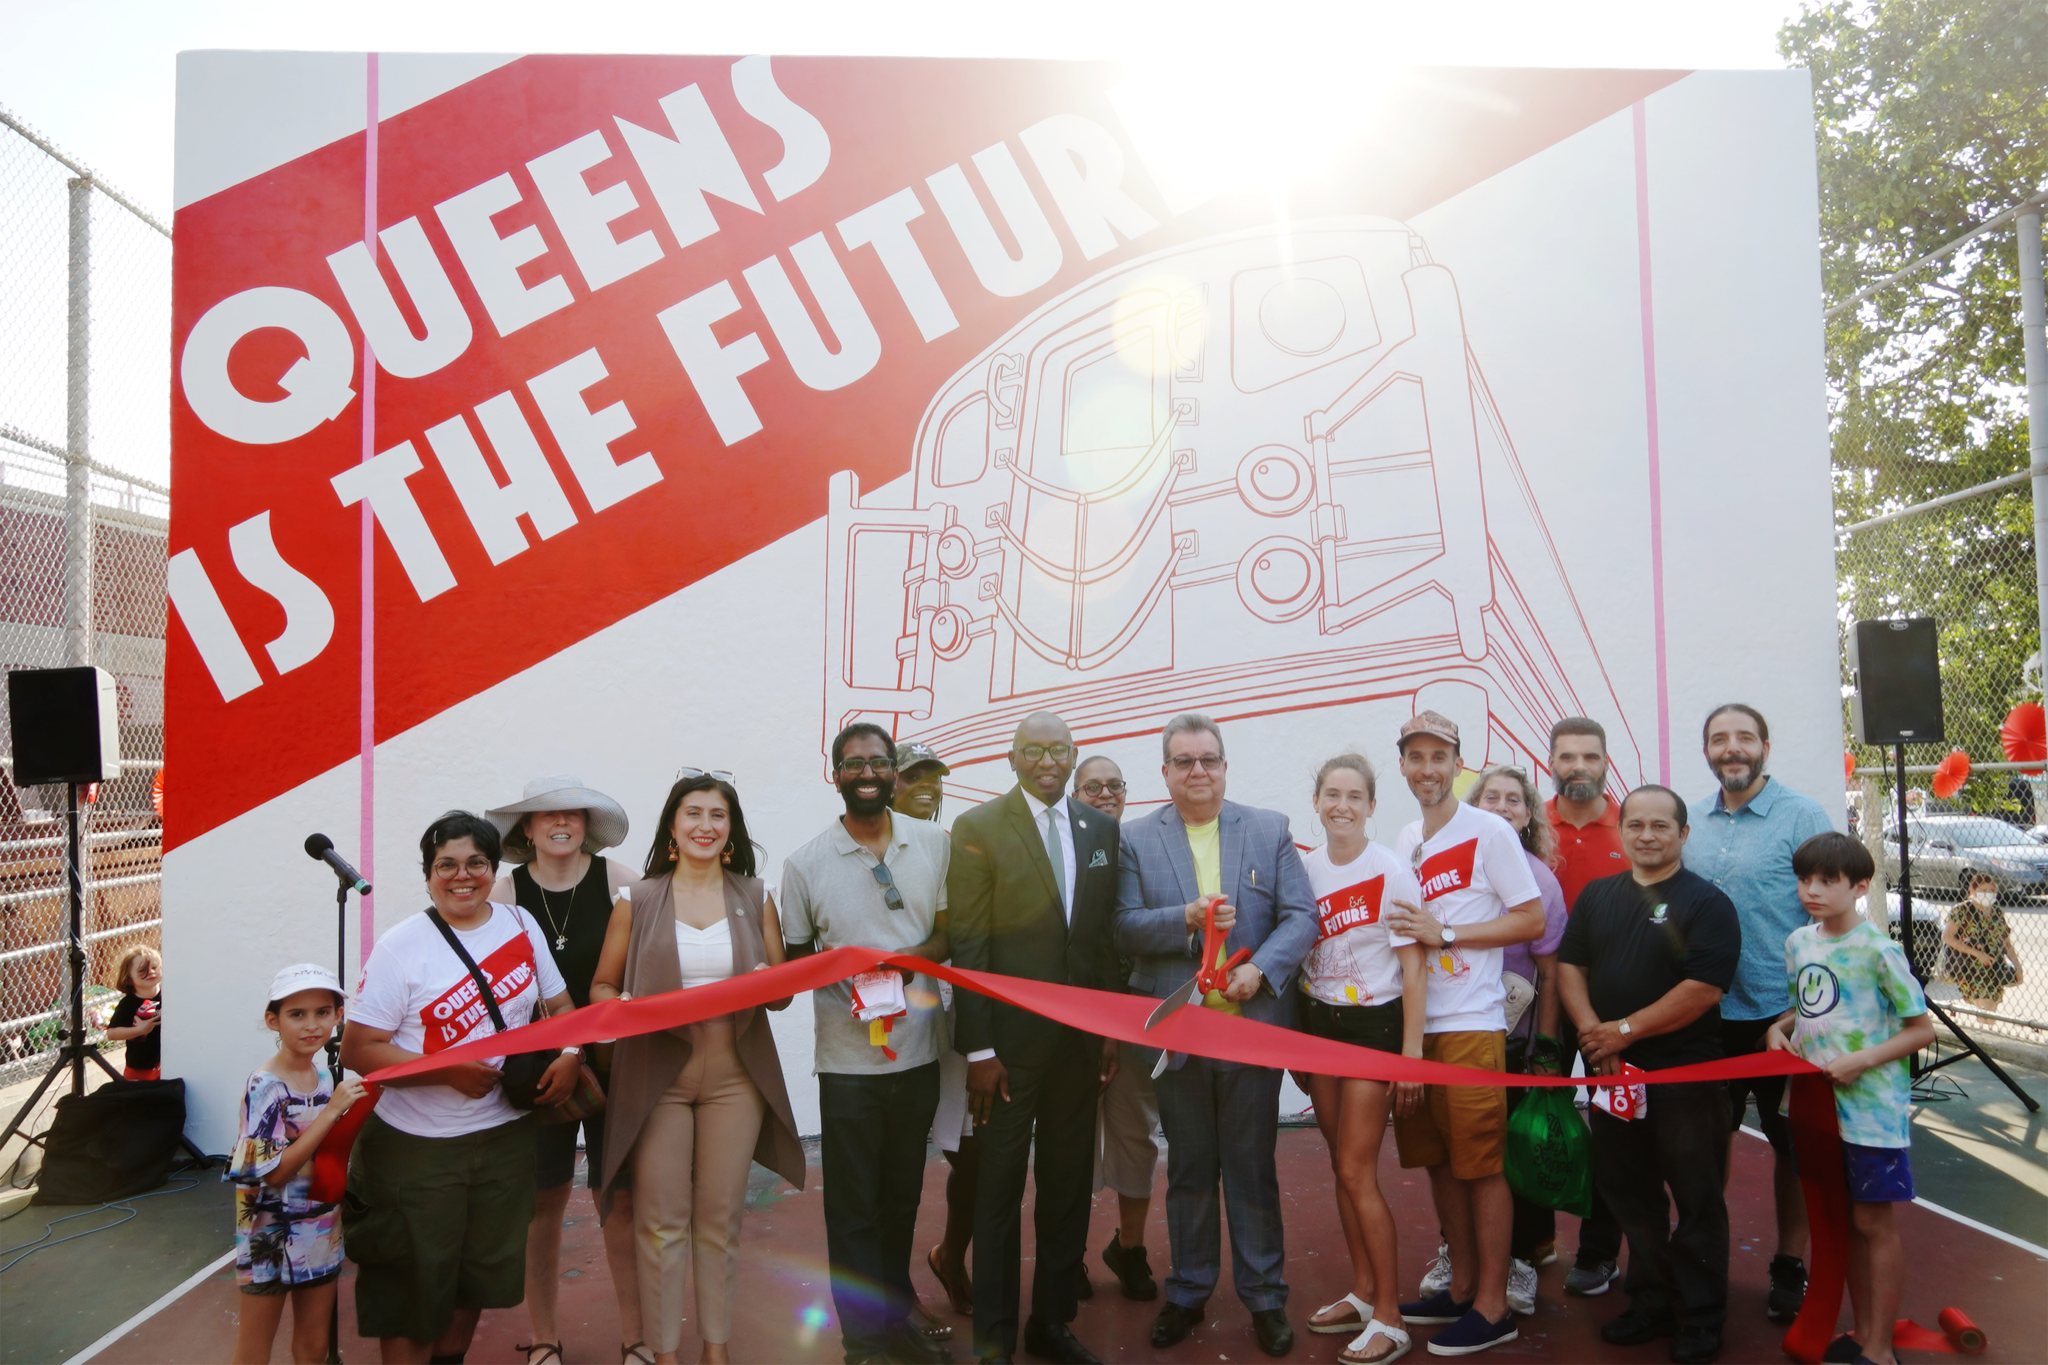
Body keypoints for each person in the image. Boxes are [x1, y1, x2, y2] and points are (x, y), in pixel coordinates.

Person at [340, 811, 583, 1365]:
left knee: (476, 1277)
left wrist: (571, 1054)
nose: (461, 875)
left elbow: (563, 1008)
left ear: (493, 868)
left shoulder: (520, 925)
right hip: (415, 1151)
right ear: (427, 874)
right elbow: (359, 1049)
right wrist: (446, 1069)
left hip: (503, 1141)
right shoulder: (402, 947)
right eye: (445, 864)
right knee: (409, 1288)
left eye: (476, 862)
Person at [1115, 713, 1316, 1358]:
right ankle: (1189, 1290)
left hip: (1249, 1034)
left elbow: (1300, 916)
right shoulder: (1136, 838)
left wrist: (1261, 968)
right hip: (1178, 1034)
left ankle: (1264, 1298)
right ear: (1166, 772)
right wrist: (1186, 916)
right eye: (1183, 761)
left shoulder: (1268, 828)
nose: (1197, 771)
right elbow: (1122, 926)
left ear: (1225, 767)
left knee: (1252, 1168)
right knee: (1191, 1169)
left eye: (1208, 760)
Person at [591, 772, 806, 1365]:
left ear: (731, 829)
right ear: (673, 828)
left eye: (717, 815)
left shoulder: (756, 894)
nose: (705, 826)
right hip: (658, 1079)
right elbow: (603, 985)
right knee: (661, 1224)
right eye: (693, 814)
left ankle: (716, 1349)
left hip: (737, 1080)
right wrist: (619, 1007)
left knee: (720, 1219)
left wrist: (772, 980)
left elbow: (782, 993)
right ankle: (664, 1354)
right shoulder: (637, 900)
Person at [948, 712, 1122, 1365]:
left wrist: (1106, 1027)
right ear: (1012, 757)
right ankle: (993, 1336)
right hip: (1007, 1054)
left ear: (1072, 755)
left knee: (1067, 1183)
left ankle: (1051, 1319)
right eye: (1033, 750)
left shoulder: (1099, 829)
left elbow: (1101, 940)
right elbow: (969, 944)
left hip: (1080, 1047)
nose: (1047, 759)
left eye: (1058, 749)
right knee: (997, 1189)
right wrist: (982, 1050)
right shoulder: (979, 828)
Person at [780, 723, 955, 1365]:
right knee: (853, 1208)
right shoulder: (805, 864)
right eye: (854, 764)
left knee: (901, 1198)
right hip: (848, 1064)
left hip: (917, 1053)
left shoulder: (935, 843)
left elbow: (947, 936)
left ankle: (892, 1317)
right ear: (836, 773)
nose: (868, 773)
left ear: (893, 773)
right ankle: (863, 1344)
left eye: (879, 763)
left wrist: (904, 963)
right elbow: (796, 960)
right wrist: (843, 970)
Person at [1557, 786, 1741, 1365]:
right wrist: (1595, 1036)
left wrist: (1625, 1031)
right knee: (1631, 1196)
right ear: (1622, 831)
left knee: (1696, 1199)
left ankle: (1701, 1317)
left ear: (1683, 835)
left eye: (1661, 826)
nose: (1647, 835)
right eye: (1635, 824)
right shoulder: (1596, 896)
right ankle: (1650, 1302)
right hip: (1612, 1074)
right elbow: (1570, 968)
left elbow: (1703, 990)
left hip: (1684, 1076)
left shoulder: (1708, 904)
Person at [1383, 712, 1543, 1357]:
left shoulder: (1490, 831)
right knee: (1440, 1162)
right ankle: (1462, 1289)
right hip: (1418, 1026)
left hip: (1474, 1023)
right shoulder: (1404, 837)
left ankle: (1494, 1306)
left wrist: (1446, 935)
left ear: (1458, 763)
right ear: (1402, 764)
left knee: (1481, 1166)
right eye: (1415, 756)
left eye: (1439, 757)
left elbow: (1529, 920)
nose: (1427, 768)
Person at [486, 776, 643, 1365]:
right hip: (540, 1076)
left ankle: (637, 1339)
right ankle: (545, 1338)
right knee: (542, 1206)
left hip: (616, 1067)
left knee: (619, 1202)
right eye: (545, 815)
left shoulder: (622, 882)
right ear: (526, 828)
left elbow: (653, 963)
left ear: (585, 825)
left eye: (571, 814)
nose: (559, 823)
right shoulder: (504, 892)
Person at [1683, 704, 1832, 1322]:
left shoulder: (1802, 816)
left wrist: (1805, 1013)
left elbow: (1829, 918)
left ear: (1765, 746)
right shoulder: (1690, 820)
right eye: (1720, 739)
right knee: (1703, 1146)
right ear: (1708, 751)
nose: (1732, 748)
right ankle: (1703, 1261)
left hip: (1783, 1016)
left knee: (1791, 1148)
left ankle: (1789, 1263)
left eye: (1744, 737)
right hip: (1707, 1015)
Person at [1768, 833, 1936, 1365]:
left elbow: (1921, 1030)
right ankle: (1864, 1334)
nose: (1812, 890)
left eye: (1827, 881)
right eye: (1804, 879)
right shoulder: (1799, 942)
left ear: (1860, 887)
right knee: (1838, 1219)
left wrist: (1860, 1060)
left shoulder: (1879, 951)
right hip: (1815, 1106)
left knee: (1871, 1224)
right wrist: (1780, 1028)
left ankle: (1881, 1349)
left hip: (1870, 1113)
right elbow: (1812, 1006)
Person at [1297, 753, 1426, 1365]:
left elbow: (1413, 966)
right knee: (1339, 1164)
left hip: (1376, 1029)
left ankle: (1393, 1319)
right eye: (1331, 794)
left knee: (1356, 1171)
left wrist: (1411, 1054)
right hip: (1320, 1025)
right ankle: (1364, 1290)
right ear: (1317, 802)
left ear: (1373, 806)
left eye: (1355, 795)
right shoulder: (1304, 868)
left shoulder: (1392, 871)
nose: (1342, 805)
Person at [226, 963, 368, 1365]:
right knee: (255, 1349)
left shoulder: (324, 1078)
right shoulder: (265, 1086)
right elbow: (275, 1172)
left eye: (323, 1012)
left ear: (338, 1016)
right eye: (296, 1014)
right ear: (273, 1020)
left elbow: (325, 1151)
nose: (311, 1025)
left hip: (320, 1227)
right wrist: (332, 1113)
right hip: (267, 1235)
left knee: (313, 1345)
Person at [1467, 764, 1567, 1302]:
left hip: (1513, 1045)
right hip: (1455, 1041)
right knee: (1464, 1151)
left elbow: (1549, 972)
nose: (1502, 806)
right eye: (1492, 797)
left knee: (1518, 1152)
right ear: (1473, 805)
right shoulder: (1447, 867)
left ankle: (1524, 1258)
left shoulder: (1540, 881)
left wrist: (1545, 1050)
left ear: (1529, 816)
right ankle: (1457, 1253)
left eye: (1514, 800)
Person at [1539, 717, 1628, 1296]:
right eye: (1567, 756)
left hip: (1615, 1008)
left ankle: (1598, 1254)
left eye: (1589, 757)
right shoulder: (1527, 826)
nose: (1578, 767)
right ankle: (1533, 1242)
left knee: (1616, 1130)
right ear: (1550, 761)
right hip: (1542, 1004)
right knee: (1538, 1123)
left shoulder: (1636, 824)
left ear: (1605, 762)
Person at [1075, 756, 1159, 1302]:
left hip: (1135, 1021)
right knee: (1073, 1147)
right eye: (1093, 787)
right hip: (1076, 1024)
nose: (1106, 794)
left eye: (1114, 785)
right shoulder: (1063, 855)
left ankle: (1129, 1249)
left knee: (1136, 1141)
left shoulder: (1142, 849)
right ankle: (1068, 1257)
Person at [904, 739, 975, 1337]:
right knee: (895, 1159)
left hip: (952, 1018)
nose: (927, 785)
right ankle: (892, 1295)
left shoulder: (955, 848)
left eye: (934, 776)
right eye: (913, 776)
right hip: (884, 1024)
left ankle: (950, 1256)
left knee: (971, 1154)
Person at [1942, 871, 2025, 1010]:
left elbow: (2006, 942)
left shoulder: (1996, 912)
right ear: (1972, 890)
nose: (1989, 894)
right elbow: (1946, 937)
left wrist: (2018, 967)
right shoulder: (1962, 910)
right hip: (1971, 969)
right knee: (1984, 1008)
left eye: (1992, 890)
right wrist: (1977, 954)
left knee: (1991, 1011)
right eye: (1984, 890)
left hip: (1994, 969)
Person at [105, 945, 164, 1080]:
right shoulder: (128, 1003)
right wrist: (140, 1030)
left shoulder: (169, 996)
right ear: (128, 977)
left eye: (155, 967)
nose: (151, 972)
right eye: (142, 970)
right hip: (140, 1066)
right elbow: (112, 1033)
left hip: (168, 1062)